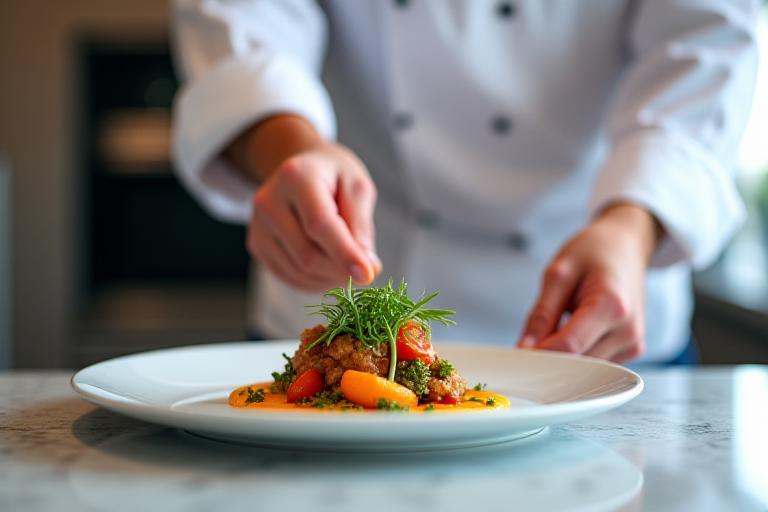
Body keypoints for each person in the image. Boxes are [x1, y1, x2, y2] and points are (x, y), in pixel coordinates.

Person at [171, 0, 759, 363]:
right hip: (339, 287)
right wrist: (290, 149)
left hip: (602, 313)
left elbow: (705, 46)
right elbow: (244, 20)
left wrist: (631, 229)